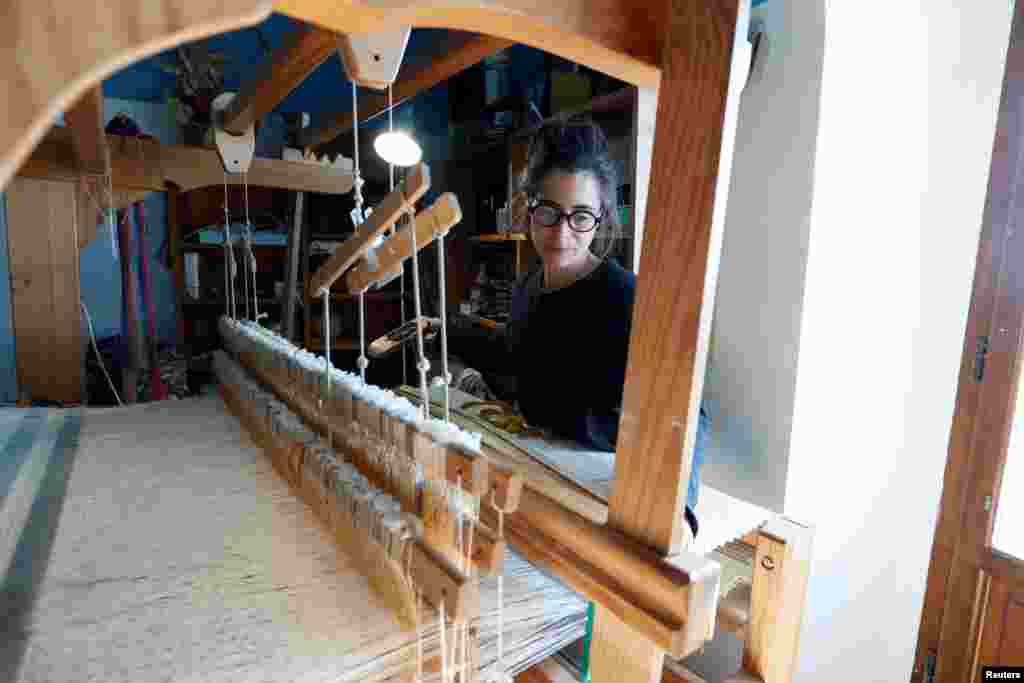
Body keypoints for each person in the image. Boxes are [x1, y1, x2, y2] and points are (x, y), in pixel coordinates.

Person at [453, 117, 708, 539]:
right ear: (528, 206)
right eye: (550, 212)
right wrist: (447, 332)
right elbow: (518, 353)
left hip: (595, 496)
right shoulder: (529, 286)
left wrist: (680, 507)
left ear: (600, 218)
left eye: (581, 217)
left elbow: (689, 410)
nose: (562, 233)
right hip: (534, 480)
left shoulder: (625, 299)